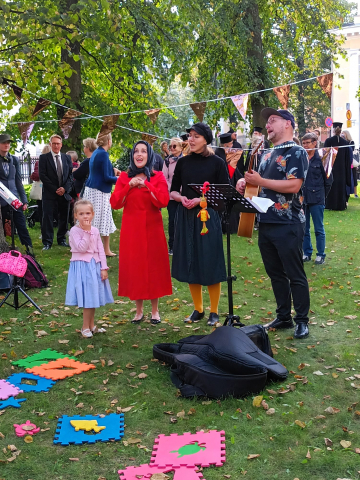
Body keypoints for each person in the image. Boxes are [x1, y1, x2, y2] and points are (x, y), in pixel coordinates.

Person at [236, 108, 310, 339]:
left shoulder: (297, 152)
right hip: (265, 222)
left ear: (287, 124)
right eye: (267, 122)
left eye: (273, 121)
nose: (267, 125)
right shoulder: (266, 154)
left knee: (294, 273)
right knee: (276, 273)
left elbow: (294, 186)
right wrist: (244, 182)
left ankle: (302, 320)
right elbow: (259, 184)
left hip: (288, 223)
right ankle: (284, 316)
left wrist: (260, 180)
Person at [171, 122, 230, 326]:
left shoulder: (217, 163)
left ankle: (214, 311)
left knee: (210, 261)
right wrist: (181, 199)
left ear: (206, 139)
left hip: (208, 218)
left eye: (196, 136)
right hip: (186, 217)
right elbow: (173, 190)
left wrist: (201, 200)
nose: (191, 140)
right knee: (190, 261)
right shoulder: (182, 163)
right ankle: (198, 309)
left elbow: (224, 193)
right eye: (190, 136)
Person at [110, 141, 172, 324]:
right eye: (136, 151)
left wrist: (147, 186)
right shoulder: (123, 177)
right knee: (135, 267)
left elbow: (163, 201)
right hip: (132, 229)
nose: (139, 154)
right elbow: (115, 203)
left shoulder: (158, 176)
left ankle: (155, 311)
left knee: (154, 267)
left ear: (149, 155)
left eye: (143, 151)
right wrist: (129, 186)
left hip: (153, 228)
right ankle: (138, 311)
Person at [65, 199, 113, 338]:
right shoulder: (74, 231)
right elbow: (81, 248)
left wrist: (103, 267)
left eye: (87, 213)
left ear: (92, 214)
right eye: (81, 214)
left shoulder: (95, 230)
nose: (85, 216)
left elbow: (100, 250)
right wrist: (86, 232)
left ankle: (92, 325)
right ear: (75, 216)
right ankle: (85, 327)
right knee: (87, 298)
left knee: (93, 296)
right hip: (82, 267)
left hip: (95, 266)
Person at [83, 132, 119, 257]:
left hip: (93, 190)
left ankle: (104, 249)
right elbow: (107, 177)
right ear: (109, 141)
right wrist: (120, 179)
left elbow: (102, 172)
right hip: (99, 192)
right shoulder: (103, 154)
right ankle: (95, 249)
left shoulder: (97, 153)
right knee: (99, 220)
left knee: (102, 220)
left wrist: (114, 172)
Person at [301, 132, 333, 265]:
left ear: (315, 143)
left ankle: (320, 254)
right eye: (303, 143)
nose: (305, 146)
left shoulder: (322, 159)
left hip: (317, 198)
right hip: (303, 199)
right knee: (304, 228)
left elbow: (329, 180)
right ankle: (307, 252)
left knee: (319, 229)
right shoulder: (301, 159)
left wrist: (321, 196)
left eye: (308, 143)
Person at [0, 134, 34, 256]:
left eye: (8, 142)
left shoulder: (14, 159)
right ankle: (5, 254)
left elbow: (18, 181)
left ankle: (29, 252)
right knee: (4, 229)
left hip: (14, 200)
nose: (7, 145)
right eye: (4, 142)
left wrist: (24, 200)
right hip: (1, 201)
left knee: (22, 227)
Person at [39, 134, 73, 250]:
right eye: (54, 143)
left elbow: (70, 175)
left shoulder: (67, 158)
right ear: (50, 144)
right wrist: (55, 189)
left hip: (64, 193)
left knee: (64, 216)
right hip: (49, 193)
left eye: (58, 143)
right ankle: (47, 242)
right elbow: (43, 176)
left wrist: (64, 188)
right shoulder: (44, 158)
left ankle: (61, 239)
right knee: (47, 217)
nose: (56, 145)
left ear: (61, 145)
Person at [215, 132, 244, 233]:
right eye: (231, 144)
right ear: (226, 144)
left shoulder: (231, 153)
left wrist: (241, 178)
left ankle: (231, 227)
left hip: (231, 181)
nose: (232, 145)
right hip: (221, 183)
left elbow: (234, 168)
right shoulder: (218, 153)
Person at [324, 122, 351, 211]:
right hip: (342, 169)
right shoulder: (345, 142)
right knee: (340, 186)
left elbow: (325, 156)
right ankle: (340, 204)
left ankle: (330, 204)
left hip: (331, 168)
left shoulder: (328, 141)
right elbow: (347, 159)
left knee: (332, 185)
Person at [163, 137, 182, 254]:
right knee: (172, 221)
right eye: (170, 146)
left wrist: (182, 191)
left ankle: (183, 245)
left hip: (184, 196)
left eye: (174, 146)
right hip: (171, 196)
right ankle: (172, 246)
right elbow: (164, 178)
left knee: (183, 221)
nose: (172, 148)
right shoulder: (167, 161)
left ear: (181, 147)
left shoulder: (186, 161)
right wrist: (173, 190)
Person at [31, 145, 52, 229]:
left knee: (41, 208)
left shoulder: (39, 162)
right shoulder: (52, 161)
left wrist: (32, 176)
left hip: (41, 189)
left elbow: (36, 175)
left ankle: (43, 226)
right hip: (50, 188)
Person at [341, 130, 357, 198]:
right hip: (345, 163)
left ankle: (355, 193)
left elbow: (351, 151)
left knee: (353, 178)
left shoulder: (351, 142)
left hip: (351, 163)